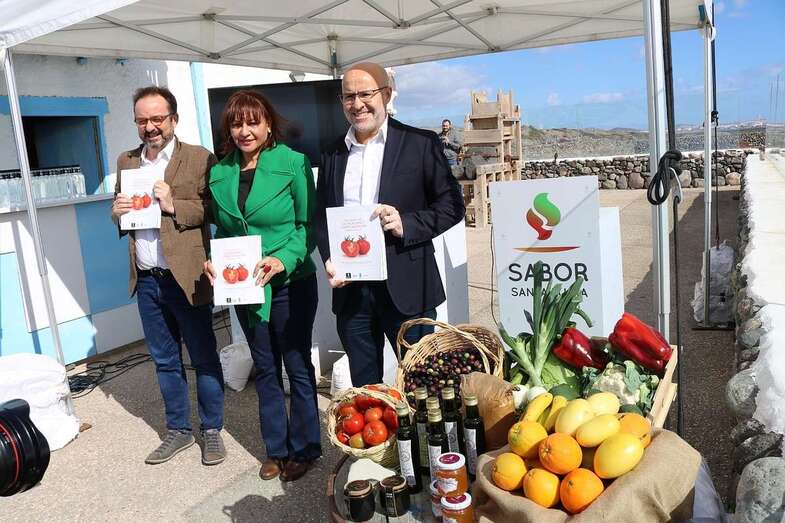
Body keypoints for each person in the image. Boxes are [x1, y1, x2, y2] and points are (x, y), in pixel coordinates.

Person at [315, 62, 465, 387]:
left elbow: (453, 206)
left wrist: (406, 223)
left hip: (409, 289)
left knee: (423, 385)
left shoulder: (420, 143)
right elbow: (321, 217)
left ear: (386, 94)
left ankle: (420, 440)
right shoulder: (332, 153)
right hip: (352, 293)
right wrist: (330, 257)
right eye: (348, 96)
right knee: (367, 391)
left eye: (366, 94)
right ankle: (382, 440)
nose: (357, 104)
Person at [203, 90, 320, 482]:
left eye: (253, 121)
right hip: (247, 288)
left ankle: (305, 447)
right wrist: (214, 261)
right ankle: (276, 448)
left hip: (289, 282)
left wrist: (282, 259)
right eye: (236, 123)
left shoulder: (292, 163)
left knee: (297, 366)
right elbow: (223, 228)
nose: (244, 130)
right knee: (266, 368)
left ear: (268, 124)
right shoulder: (219, 172)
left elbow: (308, 227)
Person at [111, 86, 226, 466]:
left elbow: (212, 211)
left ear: (173, 119)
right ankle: (178, 431)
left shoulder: (198, 158)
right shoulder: (126, 162)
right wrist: (118, 211)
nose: (150, 127)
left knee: (204, 356)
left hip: (187, 276)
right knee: (164, 360)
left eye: (157, 118)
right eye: (142, 120)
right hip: (147, 279)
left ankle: (212, 431)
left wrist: (173, 204)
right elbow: (121, 215)